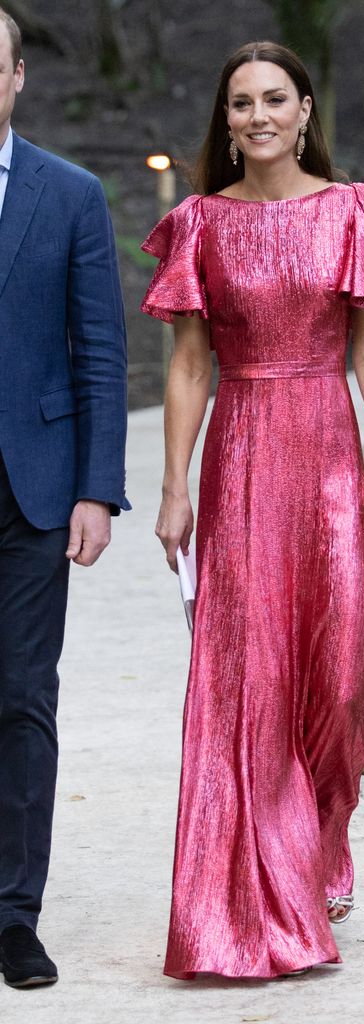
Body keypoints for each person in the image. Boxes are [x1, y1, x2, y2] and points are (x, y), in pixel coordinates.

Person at [141, 39, 364, 980]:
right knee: (249, 676)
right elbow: (187, 365)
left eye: (273, 99)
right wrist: (175, 485)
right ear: (225, 122)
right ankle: (259, 899)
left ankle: (321, 847)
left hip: (332, 456)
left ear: (305, 111)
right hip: (243, 453)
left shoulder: (353, 214)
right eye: (239, 104)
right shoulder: (199, 225)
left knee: (338, 676)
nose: (256, 116)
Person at [0, 9, 129, 989]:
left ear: (15, 78)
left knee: (19, 698)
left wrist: (96, 487)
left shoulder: (72, 195)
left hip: (32, 490)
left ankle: (13, 913)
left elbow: (101, 354)